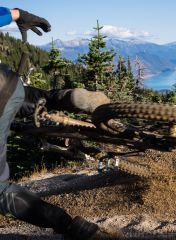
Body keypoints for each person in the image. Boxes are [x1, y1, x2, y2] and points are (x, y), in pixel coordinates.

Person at [0, 7, 116, 239]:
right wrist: (19, 15)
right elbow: (10, 13)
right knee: (28, 99)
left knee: (1, 192)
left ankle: (73, 228)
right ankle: (69, 98)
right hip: (7, 83)